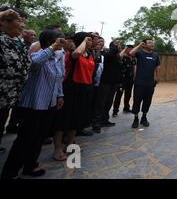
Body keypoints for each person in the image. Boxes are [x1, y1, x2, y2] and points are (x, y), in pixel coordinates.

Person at [1, 30, 65, 179]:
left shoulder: (59, 57)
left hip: (49, 105)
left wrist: (60, 95)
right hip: (33, 106)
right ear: (49, 42)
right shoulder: (38, 56)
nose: (62, 42)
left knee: (38, 138)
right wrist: (52, 48)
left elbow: (59, 78)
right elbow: (34, 63)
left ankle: (29, 167)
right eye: (58, 40)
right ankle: (9, 173)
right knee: (24, 140)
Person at [53, 33, 95, 161]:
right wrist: (83, 41)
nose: (91, 42)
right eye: (89, 40)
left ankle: (70, 145)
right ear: (82, 41)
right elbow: (76, 54)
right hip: (70, 90)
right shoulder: (71, 53)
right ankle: (57, 149)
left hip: (84, 90)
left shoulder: (90, 55)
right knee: (62, 120)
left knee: (76, 119)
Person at [0, 7, 30, 155]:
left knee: (2, 119)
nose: (22, 25)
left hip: (12, 93)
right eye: (19, 21)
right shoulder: (2, 39)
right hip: (2, 90)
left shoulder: (18, 40)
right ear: (4, 23)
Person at [5, 29, 37, 134]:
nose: (33, 37)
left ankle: (13, 125)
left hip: (24, 80)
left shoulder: (33, 46)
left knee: (18, 106)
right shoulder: (18, 44)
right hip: (10, 82)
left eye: (34, 35)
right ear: (25, 34)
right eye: (31, 35)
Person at [128, 39, 160, 129]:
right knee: (137, 100)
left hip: (150, 83)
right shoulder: (140, 53)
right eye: (149, 42)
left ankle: (144, 117)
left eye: (152, 42)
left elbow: (158, 66)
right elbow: (131, 53)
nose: (152, 44)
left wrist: (157, 77)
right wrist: (139, 45)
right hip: (139, 82)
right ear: (144, 45)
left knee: (147, 101)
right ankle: (135, 118)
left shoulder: (155, 55)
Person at [92, 42, 122, 133]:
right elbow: (108, 55)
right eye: (118, 44)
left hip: (114, 83)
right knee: (101, 103)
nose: (120, 45)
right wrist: (115, 48)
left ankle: (105, 120)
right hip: (105, 82)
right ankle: (96, 123)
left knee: (109, 102)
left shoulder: (118, 56)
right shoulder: (107, 54)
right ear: (113, 46)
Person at [112, 45, 136, 115]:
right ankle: (115, 110)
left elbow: (134, 67)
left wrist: (134, 77)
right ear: (126, 49)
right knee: (119, 94)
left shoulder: (133, 58)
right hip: (122, 80)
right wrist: (124, 49)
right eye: (130, 49)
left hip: (130, 79)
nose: (131, 50)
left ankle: (126, 108)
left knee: (128, 94)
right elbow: (119, 56)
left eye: (132, 49)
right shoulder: (122, 57)